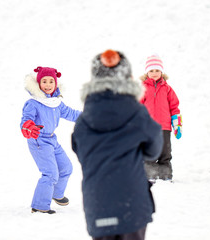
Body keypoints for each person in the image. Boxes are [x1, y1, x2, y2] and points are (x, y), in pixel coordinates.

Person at [72, 50, 163, 240]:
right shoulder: (137, 114)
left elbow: (79, 150)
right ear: (127, 77)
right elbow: (154, 149)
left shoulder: (84, 121)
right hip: (132, 204)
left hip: (98, 204)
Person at [20, 66, 81, 214]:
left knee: (66, 168)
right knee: (50, 173)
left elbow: (71, 114)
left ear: (55, 84)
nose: (48, 85)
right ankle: (40, 205)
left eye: (51, 82)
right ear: (39, 84)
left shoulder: (55, 103)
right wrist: (29, 128)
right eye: (44, 81)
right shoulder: (33, 103)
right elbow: (25, 121)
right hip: (39, 140)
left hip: (52, 139)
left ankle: (55, 194)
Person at [139, 54, 182, 182]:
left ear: (161, 72)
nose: (154, 73)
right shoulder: (143, 89)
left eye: (157, 70)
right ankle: (150, 174)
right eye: (151, 71)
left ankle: (165, 175)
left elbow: (175, 108)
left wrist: (177, 125)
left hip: (165, 127)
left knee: (165, 153)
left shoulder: (167, 89)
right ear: (147, 72)